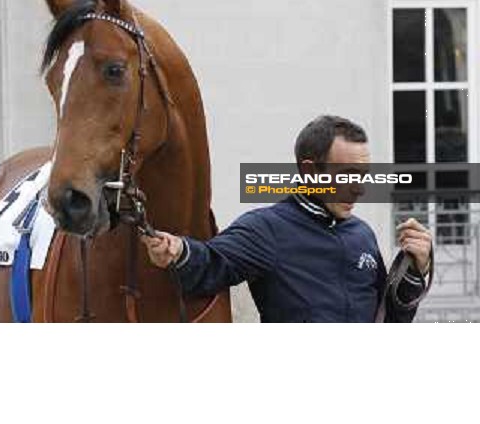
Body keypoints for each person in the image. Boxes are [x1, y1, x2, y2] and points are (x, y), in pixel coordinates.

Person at [142, 115, 433, 322]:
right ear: (309, 171)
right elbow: (212, 263)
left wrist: (414, 270)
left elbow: (391, 319)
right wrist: (178, 251)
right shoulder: (266, 229)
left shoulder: (363, 234)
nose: (359, 188)